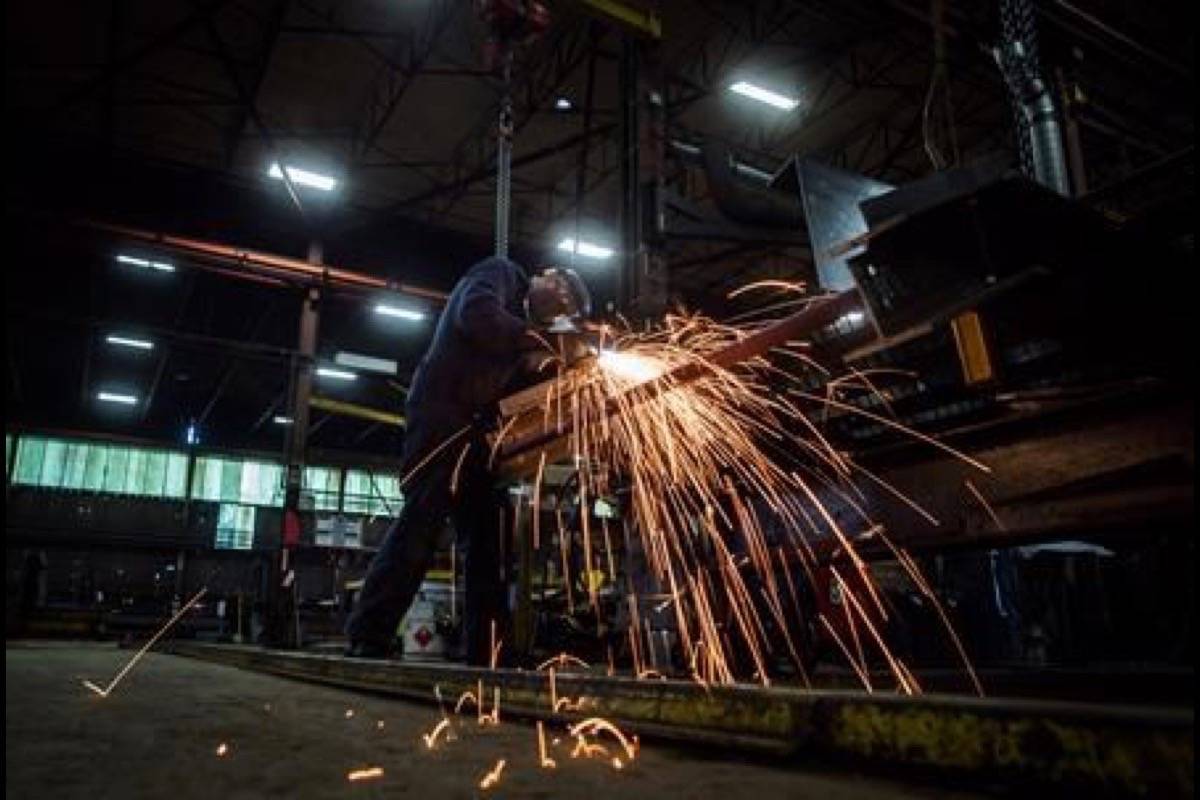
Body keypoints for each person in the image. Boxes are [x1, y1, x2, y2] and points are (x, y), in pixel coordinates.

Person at [345, 256, 591, 662]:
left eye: (565, 313)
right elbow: (474, 318)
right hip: (440, 422)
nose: (559, 310)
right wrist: (537, 341)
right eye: (561, 296)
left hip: (477, 437)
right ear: (546, 276)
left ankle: (488, 649)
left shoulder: (528, 334)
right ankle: (367, 632)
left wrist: (566, 371)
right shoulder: (499, 276)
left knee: (489, 542)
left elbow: (515, 386)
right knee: (421, 527)